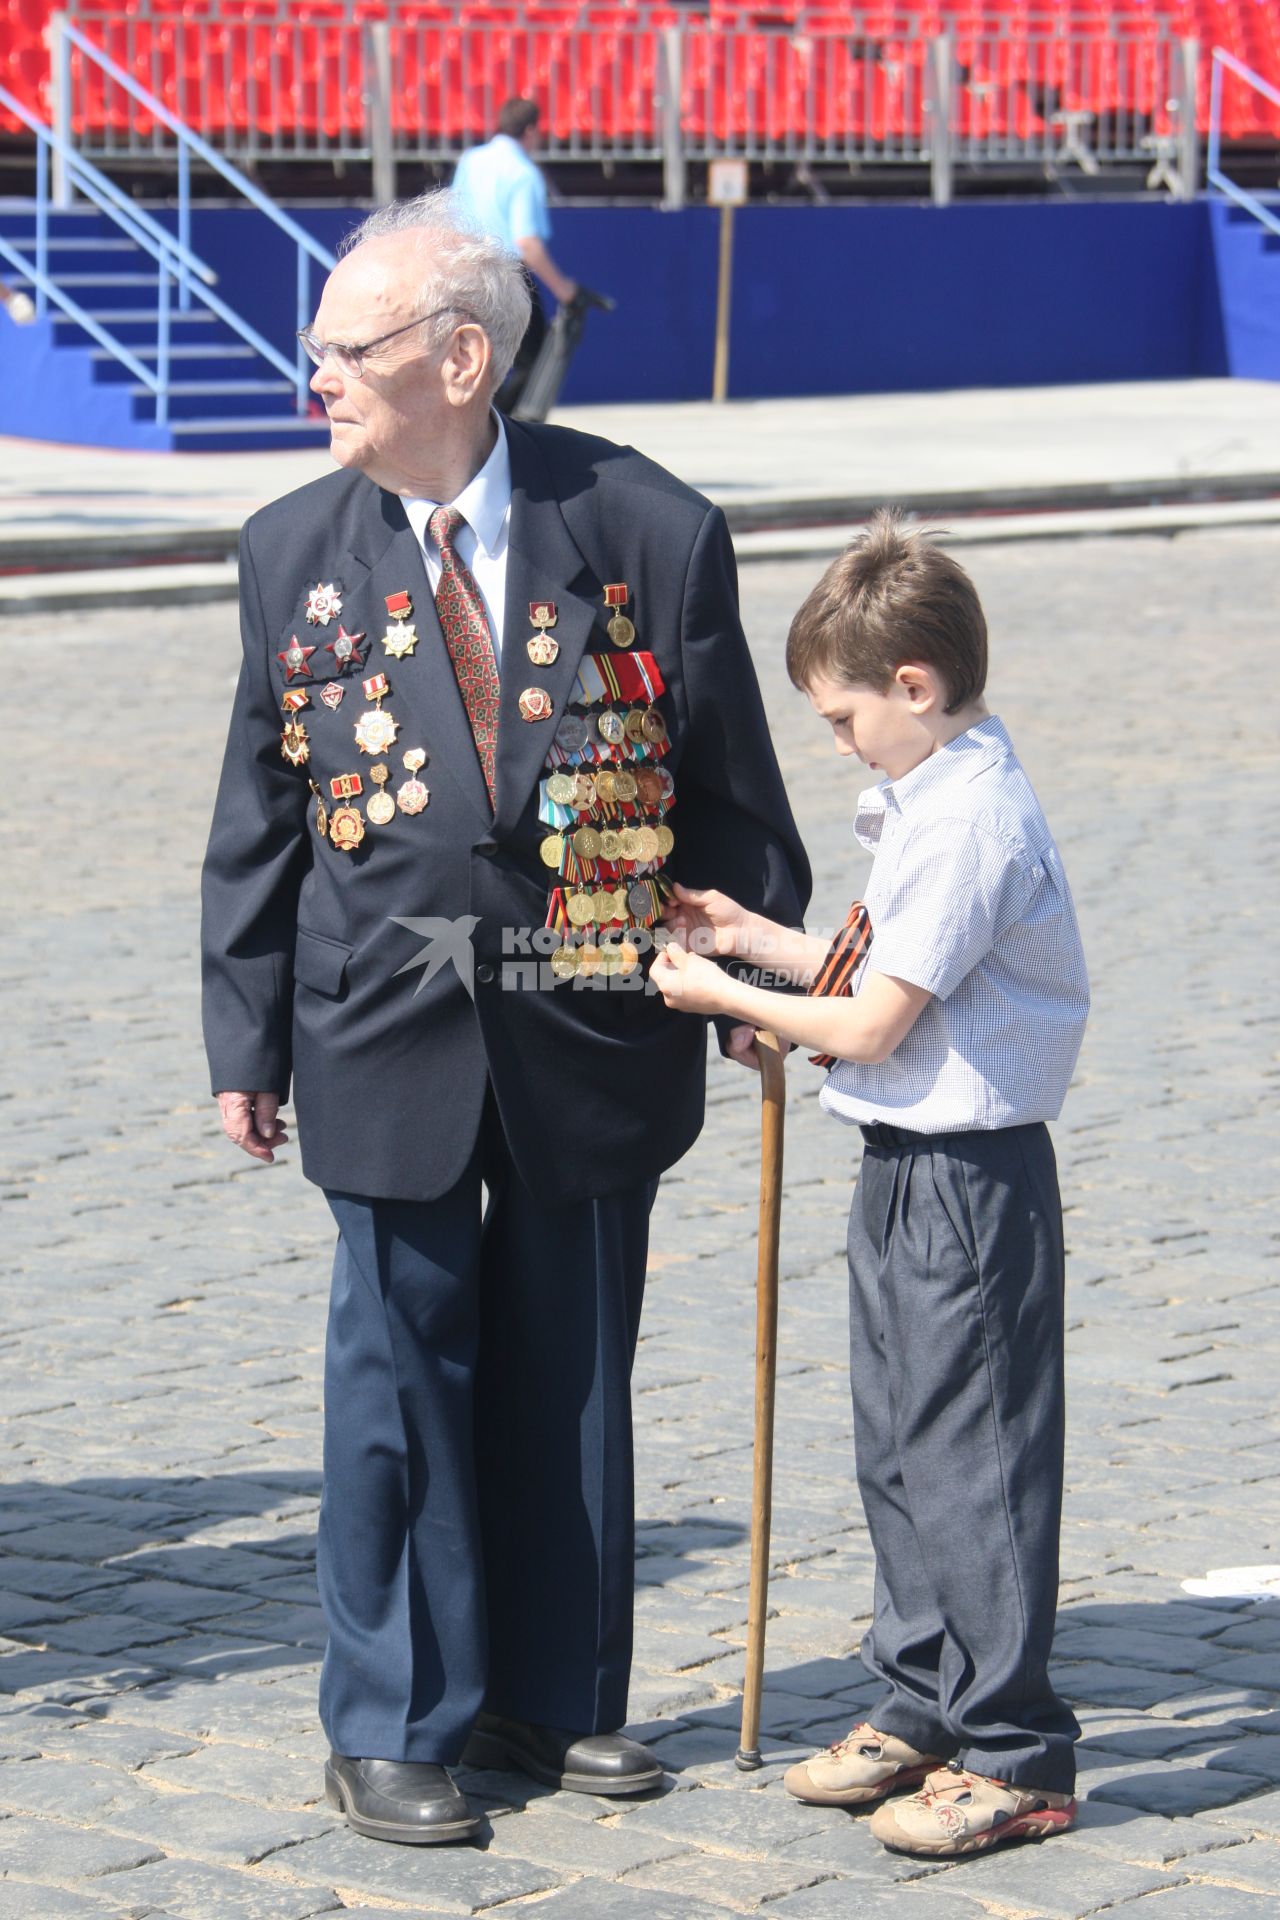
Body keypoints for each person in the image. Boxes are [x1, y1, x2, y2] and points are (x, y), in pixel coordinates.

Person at [200, 188, 809, 1847]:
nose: (312, 376)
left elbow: (734, 800)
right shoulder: (286, 550)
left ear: (462, 360)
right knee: (397, 1374)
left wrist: (750, 981)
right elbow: (258, 820)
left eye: (346, 349)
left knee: (571, 1373)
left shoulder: (649, 525)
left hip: (589, 1012)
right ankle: (394, 1718)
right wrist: (244, 1041)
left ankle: (554, 1694)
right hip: (380, 1017)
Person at [652, 513, 1089, 1859]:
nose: (834, 741)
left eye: (842, 716)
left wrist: (719, 991)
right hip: (903, 1162)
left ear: (915, 687)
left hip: (969, 1174)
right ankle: (921, 1701)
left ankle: (1016, 1748)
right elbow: (865, 968)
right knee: (898, 1448)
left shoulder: (971, 821)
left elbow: (873, 1025)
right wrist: (757, 939)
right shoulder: (926, 802)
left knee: (977, 1461)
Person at [451, 98, 579, 413]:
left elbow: (451, 215)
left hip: (463, 268)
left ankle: (474, 422)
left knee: (470, 355)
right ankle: (501, 426)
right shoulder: (523, 173)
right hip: (506, 274)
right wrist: (563, 289)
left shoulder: (471, 160)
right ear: (532, 130)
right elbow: (528, 244)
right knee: (530, 357)